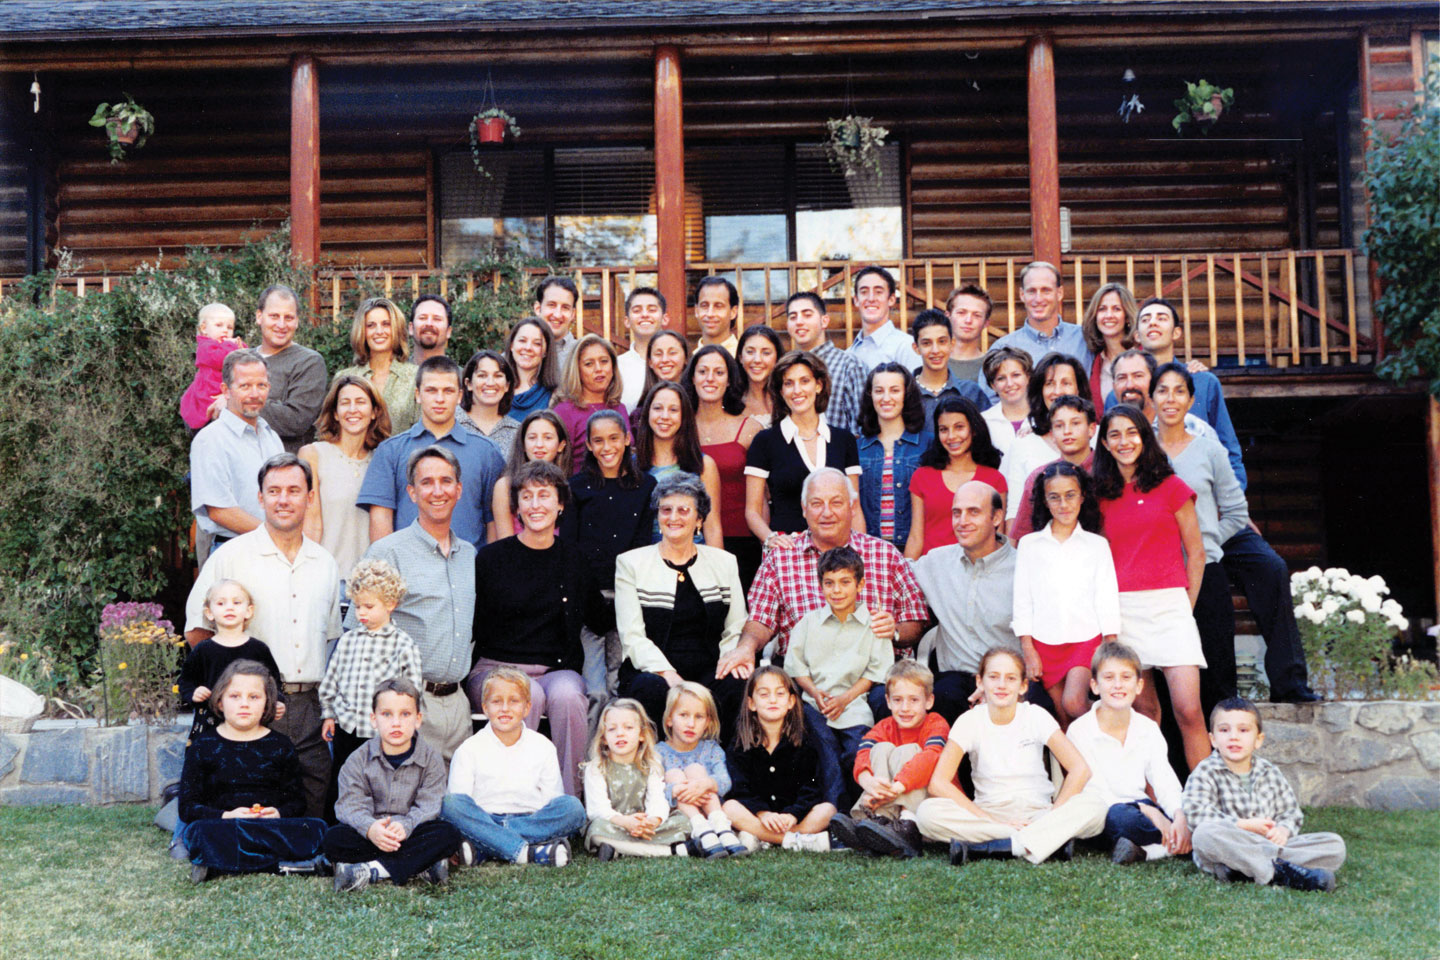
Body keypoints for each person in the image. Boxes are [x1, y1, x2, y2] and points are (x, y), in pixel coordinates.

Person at [184, 453, 342, 819]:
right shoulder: (232, 557)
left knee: (312, 801)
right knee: (248, 801)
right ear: (260, 498)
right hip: (253, 703)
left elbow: (330, 639)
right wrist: (227, 687)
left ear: (310, 497)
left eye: (293, 490)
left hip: (309, 705)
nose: (283, 499)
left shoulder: (325, 563)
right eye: (273, 491)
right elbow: (197, 628)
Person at [467, 460, 608, 796]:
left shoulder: (575, 559)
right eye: (527, 497)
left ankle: (567, 802)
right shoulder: (490, 560)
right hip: (496, 667)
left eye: (544, 495)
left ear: (560, 504)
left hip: (556, 670)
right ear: (517, 507)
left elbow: (599, 619)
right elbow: (470, 623)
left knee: (569, 696)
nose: (535, 505)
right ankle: (513, 799)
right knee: (526, 695)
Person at [1094, 405, 1210, 769]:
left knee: (1189, 709)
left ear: (1145, 436)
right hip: (1123, 609)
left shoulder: (1172, 487)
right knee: (1143, 711)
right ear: (1105, 443)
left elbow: (1197, 553)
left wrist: (1184, 606)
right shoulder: (1098, 494)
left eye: (1132, 432)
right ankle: (1153, 805)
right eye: (1115, 434)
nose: (1124, 441)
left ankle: (1206, 804)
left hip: (1171, 606)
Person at [915, 647, 1108, 865]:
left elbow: (1080, 770)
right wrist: (987, 817)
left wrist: (1055, 813)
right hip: (989, 813)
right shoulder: (970, 721)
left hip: (1038, 813)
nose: (1001, 685)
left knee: (1096, 806)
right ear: (980, 682)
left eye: (1010, 678)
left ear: (1023, 685)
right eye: (994, 677)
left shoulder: (1035, 715)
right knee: (927, 813)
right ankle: (1042, 840)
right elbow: (938, 783)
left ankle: (1003, 847)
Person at [350, 446, 477, 762]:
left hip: (457, 705)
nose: (438, 491)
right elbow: (357, 635)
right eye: (427, 482)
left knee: (454, 803)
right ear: (412, 492)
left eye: (446, 481)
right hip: (408, 703)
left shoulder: (470, 556)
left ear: (459, 490)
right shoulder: (388, 553)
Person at [613, 473, 747, 742]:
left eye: (684, 510)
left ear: (699, 520)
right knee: (649, 689)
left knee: (737, 684)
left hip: (711, 669)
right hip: (654, 671)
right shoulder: (631, 564)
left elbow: (736, 626)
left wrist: (726, 664)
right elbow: (633, 637)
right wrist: (671, 677)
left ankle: (727, 771)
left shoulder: (724, 562)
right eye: (666, 510)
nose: (673, 517)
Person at [178, 660, 327, 883]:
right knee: (198, 832)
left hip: (269, 826)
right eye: (235, 696)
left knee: (317, 828)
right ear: (219, 701)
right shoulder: (203, 745)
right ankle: (282, 866)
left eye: (254, 697)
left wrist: (276, 813)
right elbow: (188, 808)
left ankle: (222, 866)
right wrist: (228, 815)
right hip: (225, 826)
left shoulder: (280, 744)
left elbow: (297, 802)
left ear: (268, 704)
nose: (244, 704)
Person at [1153, 362, 1246, 713]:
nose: (1171, 398)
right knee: (1166, 679)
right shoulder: (1143, 453)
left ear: (1191, 400)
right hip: (1159, 577)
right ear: (1152, 398)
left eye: (1179, 390)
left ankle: (1221, 762)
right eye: (1162, 390)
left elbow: (1237, 512)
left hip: (1206, 574)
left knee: (1217, 670)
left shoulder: (1210, 450)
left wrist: (1205, 542)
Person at [1183, 697, 1346, 890]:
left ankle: (1245, 869)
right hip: (1229, 845)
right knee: (1204, 834)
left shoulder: (1270, 772)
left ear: (1258, 739)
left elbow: (1291, 813)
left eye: (1243, 730)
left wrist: (1283, 831)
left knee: (1335, 845)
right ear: (1213, 739)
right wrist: (1243, 825)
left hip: (1266, 844)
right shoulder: (1206, 771)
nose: (1233, 737)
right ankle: (1281, 872)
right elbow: (1195, 813)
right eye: (1224, 730)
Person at [441, 667, 587, 867]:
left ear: (527, 708)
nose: (505, 708)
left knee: (573, 808)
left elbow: (552, 799)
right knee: (451, 804)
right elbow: (461, 802)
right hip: (485, 819)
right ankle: (530, 853)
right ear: (485, 707)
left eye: (514, 701)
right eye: (496, 701)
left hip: (531, 818)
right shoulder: (469, 749)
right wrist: (482, 825)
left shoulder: (543, 746)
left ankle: (486, 848)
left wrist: (490, 833)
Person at [897, 481, 1018, 723]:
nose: (962, 521)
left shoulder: (1023, 568)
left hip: (1010, 679)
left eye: (974, 512)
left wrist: (998, 682)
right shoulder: (936, 562)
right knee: (943, 698)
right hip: (955, 680)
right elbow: (890, 570)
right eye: (956, 513)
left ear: (996, 517)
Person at [326, 679, 462, 892]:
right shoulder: (357, 759)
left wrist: (406, 826)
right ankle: (422, 866)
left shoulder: (431, 759)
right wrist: (371, 829)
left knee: (447, 834)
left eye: (405, 714)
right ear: (374, 719)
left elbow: (430, 804)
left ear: (418, 719)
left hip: (411, 831)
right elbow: (350, 805)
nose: (396, 723)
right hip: (371, 833)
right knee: (334, 838)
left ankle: (370, 871)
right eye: (387, 714)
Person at [1013, 461, 1120, 729]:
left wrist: (1110, 643)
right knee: (1062, 720)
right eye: (1055, 497)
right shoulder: (1029, 545)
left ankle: (1111, 740)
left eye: (1070, 495)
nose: (1064, 504)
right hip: (1043, 643)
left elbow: (1106, 595)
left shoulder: (1096, 545)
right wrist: (1028, 649)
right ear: (1045, 502)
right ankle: (1083, 771)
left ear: (1082, 496)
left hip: (1086, 640)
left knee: (1074, 703)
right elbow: (1023, 599)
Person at [357, 355, 505, 549]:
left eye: (448, 391)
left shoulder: (487, 452)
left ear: (460, 396)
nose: (440, 399)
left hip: (468, 572)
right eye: (431, 390)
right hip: (407, 573)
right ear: (418, 395)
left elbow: (493, 522)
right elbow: (381, 525)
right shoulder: (390, 451)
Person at [783, 545, 893, 802]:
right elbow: (796, 667)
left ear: (860, 584)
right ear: (820, 586)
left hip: (854, 704)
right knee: (826, 748)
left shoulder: (873, 624)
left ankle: (861, 807)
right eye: (829, 583)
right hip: (814, 704)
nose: (837, 590)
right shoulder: (808, 623)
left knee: (858, 750)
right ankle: (835, 810)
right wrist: (813, 692)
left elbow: (876, 672)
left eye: (845, 582)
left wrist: (845, 699)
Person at [561, 410, 655, 704]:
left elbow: (643, 547)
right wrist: (589, 601)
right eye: (598, 440)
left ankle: (619, 746)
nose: (607, 447)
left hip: (629, 597)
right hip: (589, 598)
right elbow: (569, 548)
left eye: (614, 438)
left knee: (620, 682)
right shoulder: (576, 488)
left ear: (627, 439)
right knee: (594, 687)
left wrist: (625, 602)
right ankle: (589, 749)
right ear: (588, 445)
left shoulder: (645, 486)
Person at [1067, 642, 1190, 866]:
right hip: (1102, 811)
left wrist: (1179, 815)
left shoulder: (1148, 728)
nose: (1117, 685)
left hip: (1140, 806)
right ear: (1094, 686)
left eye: (1126, 677)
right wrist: (1148, 811)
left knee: (1190, 819)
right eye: (1109, 677)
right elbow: (1095, 789)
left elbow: (1163, 777)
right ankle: (1170, 846)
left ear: (1139, 685)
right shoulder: (1080, 730)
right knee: (1122, 819)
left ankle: (1143, 849)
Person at [319, 557, 423, 820]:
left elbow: (413, 690)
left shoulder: (403, 644)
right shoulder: (348, 640)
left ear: (390, 604)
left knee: (379, 785)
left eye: (368, 606)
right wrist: (328, 714)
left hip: (382, 732)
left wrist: (405, 723)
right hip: (348, 727)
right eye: (357, 606)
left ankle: (380, 831)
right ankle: (338, 831)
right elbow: (332, 678)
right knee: (343, 780)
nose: (361, 613)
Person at [832, 659, 949, 860]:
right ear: (887, 701)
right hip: (889, 799)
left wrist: (895, 789)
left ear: (929, 701)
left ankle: (906, 825)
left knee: (910, 750)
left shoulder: (936, 724)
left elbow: (930, 758)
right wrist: (868, 782)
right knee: (881, 748)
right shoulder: (884, 726)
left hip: (927, 806)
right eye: (897, 700)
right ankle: (879, 822)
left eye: (914, 700)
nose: (905, 708)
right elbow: (863, 754)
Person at [1122, 297, 1244, 486]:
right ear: (1137, 335)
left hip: (1200, 494)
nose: (1153, 322)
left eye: (1161, 318)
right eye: (1145, 319)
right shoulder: (1124, 393)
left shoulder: (1203, 383)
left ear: (1176, 332)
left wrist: (1233, 498)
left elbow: (1228, 447)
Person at [744, 351, 862, 546]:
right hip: (789, 551)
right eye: (788, 383)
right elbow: (752, 511)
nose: (797, 390)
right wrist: (771, 539)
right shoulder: (765, 441)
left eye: (804, 381)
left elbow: (854, 509)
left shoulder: (844, 440)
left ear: (818, 385)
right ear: (781, 392)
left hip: (838, 554)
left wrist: (859, 553)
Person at [722, 665, 838, 852]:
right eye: (764, 694)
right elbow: (739, 788)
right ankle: (797, 840)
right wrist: (762, 813)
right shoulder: (740, 744)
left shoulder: (804, 742)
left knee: (828, 810)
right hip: (759, 818)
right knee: (729, 807)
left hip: (792, 819)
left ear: (791, 701)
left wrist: (793, 814)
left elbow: (811, 787)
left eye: (780, 693)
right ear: (751, 703)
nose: (773, 700)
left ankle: (766, 839)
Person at [189, 349, 284, 565]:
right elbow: (219, 511)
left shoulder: (272, 438)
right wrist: (276, 534)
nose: (254, 394)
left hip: (274, 550)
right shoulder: (211, 440)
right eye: (245, 386)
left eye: (261, 385)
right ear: (226, 390)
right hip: (233, 551)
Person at [298, 375, 392, 594]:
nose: (352, 410)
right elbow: (310, 524)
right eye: (344, 403)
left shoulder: (384, 459)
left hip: (370, 585)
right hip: (325, 580)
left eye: (360, 402)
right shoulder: (313, 454)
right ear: (335, 414)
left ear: (374, 412)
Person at [685, 344, 765, 591]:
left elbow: (762, 497)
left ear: (730, 380)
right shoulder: (679, 427)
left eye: (719, 372)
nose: (710, 378)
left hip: (742, 540)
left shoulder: (749, 429)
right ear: (692, 377)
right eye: (703, 371)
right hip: (689, 538)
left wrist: (766, 546)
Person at [582, 699, 691, 859]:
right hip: (614, 823)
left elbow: (657, 800)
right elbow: (597, 809)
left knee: (683, 822)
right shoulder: (596, 767)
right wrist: (625, 822)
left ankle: (618, 850)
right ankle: (668, 851)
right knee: (596, 831)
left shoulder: (651, 764)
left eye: (628, 728)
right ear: (604, 738)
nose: (620, 733)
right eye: (612, 729)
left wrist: (652, 821)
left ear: (641, 734)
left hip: (645, 824)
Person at [178, 580, 284, 742]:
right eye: (221, 603)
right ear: (209, 613)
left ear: (248, 611)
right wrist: (194, 693)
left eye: (236, 602)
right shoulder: (203, 650)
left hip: (251, 726)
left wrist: (278, 702)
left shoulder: (258, 649)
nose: (229, 607)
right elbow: (185, 681)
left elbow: (274, 684)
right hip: (211, 727)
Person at [905, 397, 1006, 559]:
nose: (951, 436)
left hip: (977, 572)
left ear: (973, 429)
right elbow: (916, 537)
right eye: (944, 429)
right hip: (932, 573)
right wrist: (907, 576)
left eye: (959, 427)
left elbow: (998, 536)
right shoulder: (922, 476)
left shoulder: (994, 479)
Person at [656, 682, 747, 859]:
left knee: (696, 770)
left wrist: (704, 784)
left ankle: (721, 827)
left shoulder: (711, 749)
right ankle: (702, 830)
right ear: (669, 719)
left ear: (708, 722)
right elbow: (652, 789)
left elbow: (725, 781)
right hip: (681, 816)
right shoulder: (658, 753)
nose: (691, 723)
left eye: (699, 717)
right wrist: (676, 789)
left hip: (711, 809)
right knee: (673, 774)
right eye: (683, 715)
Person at [1000, 353, 1091, 526]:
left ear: (1078, 389)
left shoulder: (1097, 437)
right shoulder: (1024, 443)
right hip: (1041, 543)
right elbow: (1014, 510)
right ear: (1040, 390)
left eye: (1066, 383)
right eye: (1049, 384)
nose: (1057, 391)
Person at [634, 381, 724, 546]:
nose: (665, 416)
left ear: (684, 416)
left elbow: (712, 528)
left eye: (673, 410)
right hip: (646, 560)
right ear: (647, 412)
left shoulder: (703, 465)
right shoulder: (631, 466)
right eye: (658, 408)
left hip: (693, 558)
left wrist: (718, 570)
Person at [982, 261, 1092, 394]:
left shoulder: (1085, 340)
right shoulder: (1003, 347)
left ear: (1059, 293)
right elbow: (990, 398)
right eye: (1032, 291)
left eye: (1046, 290)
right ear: (1022, 295)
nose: (1038, 299)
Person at [856, 362, 928, 552]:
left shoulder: (927, 445)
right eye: (879, 391)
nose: (886, 398)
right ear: (870, 395)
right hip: (871, 550)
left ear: (906, 394)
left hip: (916, 549)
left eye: (895, 390)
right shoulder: (857, 449)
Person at [1007, 394, 1097, 541]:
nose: (1067, 431)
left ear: (1091, 429)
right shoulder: (1041, 477)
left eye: (1075, 423)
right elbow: (1022, 536)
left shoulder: (1107, 470)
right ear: (1052, 434)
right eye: (1059, 426)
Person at [252, 284, 327, 453]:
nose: (281, 324)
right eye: (274, 316)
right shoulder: (240, 359)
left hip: (281, 469)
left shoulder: (308, 362)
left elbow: (296, 421)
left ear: (297, 322)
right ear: (259, 316)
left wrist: (236, 404)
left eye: (288, 317)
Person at [335, 296, 419, 434]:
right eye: (371, 325)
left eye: (386, 324)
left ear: (396, 329)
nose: (379, 331)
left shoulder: (416, 377)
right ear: (362, 331)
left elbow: (422, 432)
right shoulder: (344, 378)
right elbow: (332, 430)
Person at [784, 291, 865, 434]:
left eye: (807, 315)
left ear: (824, 321)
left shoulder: (848, 365)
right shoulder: (784, 368)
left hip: (836, 454)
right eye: (793, 317)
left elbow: (861, 427)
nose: (799, 322)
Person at [491, 410, 572, 537]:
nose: (539, 445)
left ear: (561, 445)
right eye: (532, 438)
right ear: (523, 444)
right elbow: (504, 542)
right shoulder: (505, 486)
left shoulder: (569, 485)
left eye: (548, 438)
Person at [552, 333, 629, 463]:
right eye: (589, 364)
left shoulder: (619, 408)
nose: (598, 369)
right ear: (577, 370)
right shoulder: (564, 411)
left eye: (604, 361)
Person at [910, 308, 988, 424]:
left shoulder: (971, 392)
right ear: (916, 348)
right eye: (927, 343)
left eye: (942, 341)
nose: (935, 350)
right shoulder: (904, 394)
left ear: (952, 344)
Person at [180, 302, 244, 431]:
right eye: (219, 325)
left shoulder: (227, 344)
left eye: (230, 327)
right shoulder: (205, 346)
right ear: (204, 328)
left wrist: (241, 347)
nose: (225, 330)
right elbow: (221, 359)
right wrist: (232, 345)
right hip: (208, 398)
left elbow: (245, 357)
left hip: (225, 395)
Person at [846, 266, 916, 371]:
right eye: (864, 292)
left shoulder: (905, 347)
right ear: (856, 300)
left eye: (878, 292)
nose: (871, 298)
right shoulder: (849, 353)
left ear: (891, 299)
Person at [1080, 283, 1136, 412]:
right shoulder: (1094, 363)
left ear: (1127, 316)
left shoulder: (1143, 355)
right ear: (1095, 316)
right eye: (1102, 309)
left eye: (1116, 309)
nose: (1109, 315)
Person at [458, 349, 519, 455]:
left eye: (498, 376)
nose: (490, 383)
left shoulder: (517, 432)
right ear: (468, 383)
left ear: (507, 385)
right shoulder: (451, 423)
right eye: (482, 375)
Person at [979, 346, 1033, 460]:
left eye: (1016, 375)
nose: (1010, 383)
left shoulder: (1045, 417)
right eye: (1001, 378)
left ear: (1028, 377)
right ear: (993, 385)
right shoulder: (983, 422)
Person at [618, 286, 667, 411]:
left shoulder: (678, 362)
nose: (645, 315)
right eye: (637, 310)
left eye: (652, 310)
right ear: (627, 321)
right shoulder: (616, 366)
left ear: (665, 318)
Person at [503, 317, 559, 423]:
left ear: (546, 351)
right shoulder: (496, 389)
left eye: (537, 343)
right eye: (522, 340)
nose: (528, 348)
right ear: (511, 345)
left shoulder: (555, 396)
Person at [736, 324, 783, 428]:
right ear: (740, 357)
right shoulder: (730, 400)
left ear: (777, 358)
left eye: (766, 353)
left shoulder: (787, 398)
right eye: (750, 352)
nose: (757, 360)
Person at [946, 283, 992, 383]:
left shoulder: (991, 367)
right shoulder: (932, 363)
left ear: (986, 323)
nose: (968, 320)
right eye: (961, 312)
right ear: (948, 316)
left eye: (977, 315)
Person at [533, 275, 581, 367]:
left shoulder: (583, 354)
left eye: (565, 307)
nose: (557, 315)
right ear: (538, 309)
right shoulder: (520, 354)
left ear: (573, 314)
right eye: (551, 305)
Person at [639, 329, 692, 407]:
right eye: (658, 354)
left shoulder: (699, 406)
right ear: (650, 362)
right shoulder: (639, 413)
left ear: (686, 358)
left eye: (672, 353)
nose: (665, 360)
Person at [694, 275, 740, 354]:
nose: (710, 314)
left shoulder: (742, 359)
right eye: (704, 305)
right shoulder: (689, 360)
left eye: (718, 306)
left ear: (733, 312)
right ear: (696, 311)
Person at [408, 294, 453, 365]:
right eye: (422, 318)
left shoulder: (460, 375)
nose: (429, 323)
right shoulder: (391, 375)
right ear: (411, 328)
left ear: (448, 331)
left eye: (437, 319)